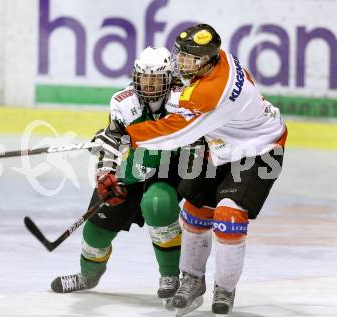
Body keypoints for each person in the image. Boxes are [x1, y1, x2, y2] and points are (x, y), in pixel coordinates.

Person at [100, 24, 287, 316]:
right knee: (196, 211)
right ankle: (192, 280)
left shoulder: (212, 92)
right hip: (222, 145)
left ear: (206, 60)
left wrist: (127, 134)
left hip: (260, 148)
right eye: (181, 54)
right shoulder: (219, 59)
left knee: (228, 215)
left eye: (189, 58)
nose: (181, 62)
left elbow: (178, 134)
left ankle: (224, 289)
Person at [50, 47, 196, 306]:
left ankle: (171, 276)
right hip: (133, 170)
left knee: (157, 203)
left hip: (169, 170)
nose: (149, 84)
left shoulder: (183, 99)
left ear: (169, 78)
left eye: (156, 78)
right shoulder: (122, 101)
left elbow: (188, 142)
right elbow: (114, 140)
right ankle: (88, 275)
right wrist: (105, 172)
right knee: (96, 226)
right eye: (143, 77)